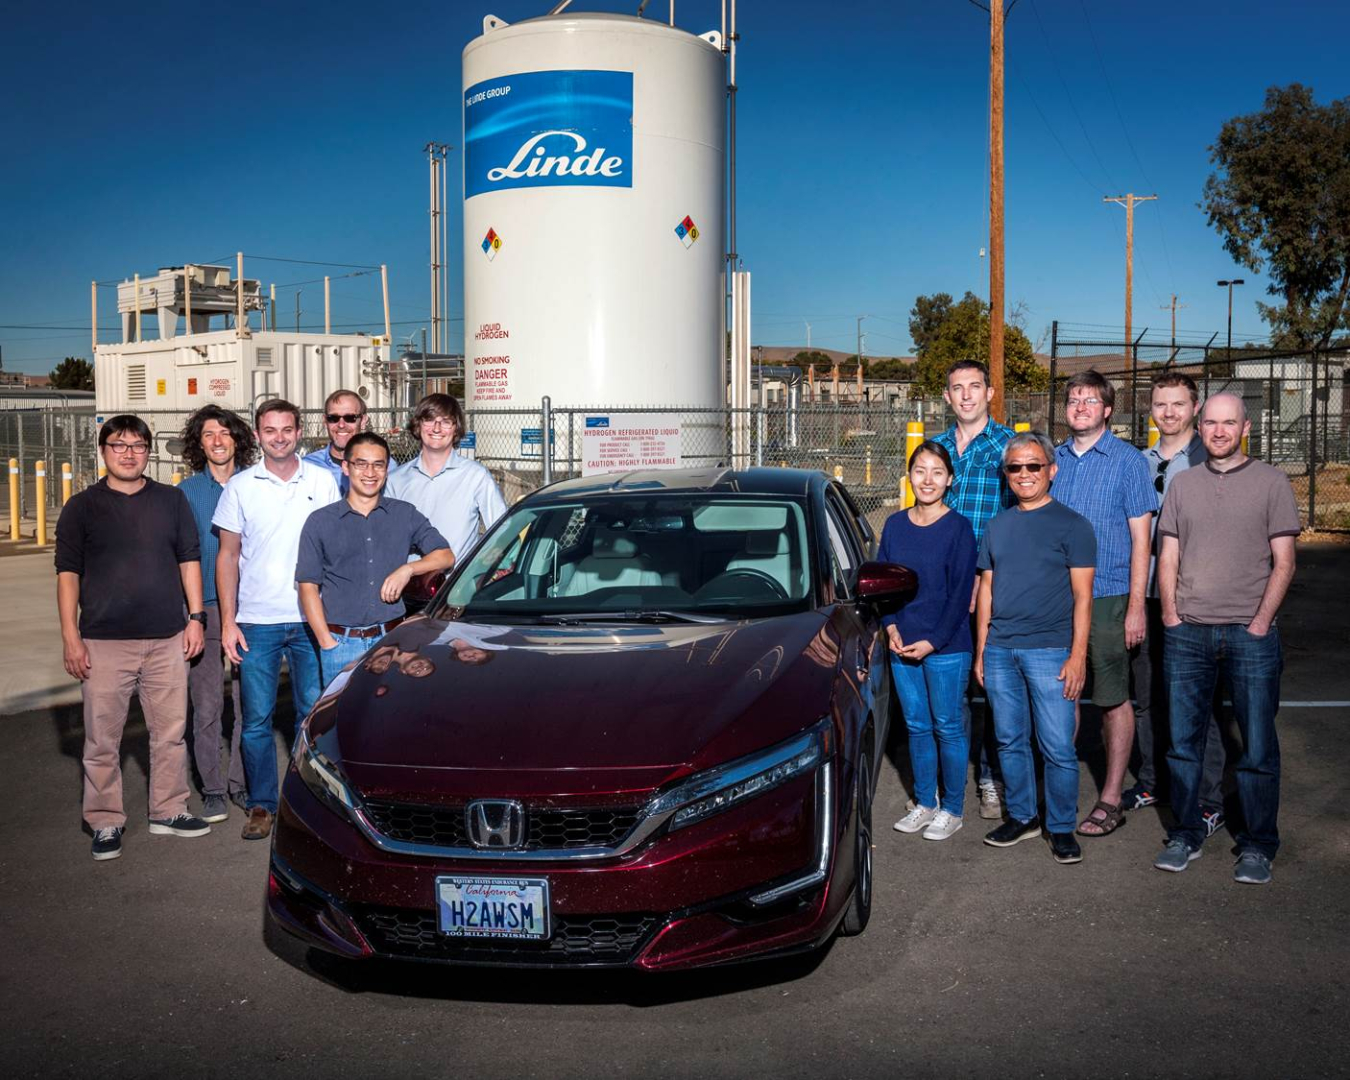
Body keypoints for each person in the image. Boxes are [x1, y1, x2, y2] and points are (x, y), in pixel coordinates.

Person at [1153, 393, 1298, 885]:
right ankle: (1187, 832)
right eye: (1210, 422)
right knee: (1183, 744)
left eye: (1228, 422)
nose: (1218, 431)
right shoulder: (1183, 485)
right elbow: (1168, 557)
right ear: (1200, 424)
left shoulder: (1272, 483)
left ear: (1245, 427)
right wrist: (1170, 616)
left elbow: (1285, 562)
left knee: (1257, 747)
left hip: (1250, 636)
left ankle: (1258, 845)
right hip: (1187, 634)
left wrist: (1259, 623)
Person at [55, 415, 210, 860]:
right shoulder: (81, 507)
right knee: (102, 738)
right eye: (119, 445)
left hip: (166, 638)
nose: (129, 453)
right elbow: (68, 575)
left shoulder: (171, 501)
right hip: (103, 641)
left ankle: (169, 809)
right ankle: (104, 820)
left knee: (169, 733)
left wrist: (195, 617)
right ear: (103, 450)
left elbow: (189, 558)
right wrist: (71, 636)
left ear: (148, 451)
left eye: (138, 445)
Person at [214, 399, 340, 842]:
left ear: (299, 431)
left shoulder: (324, 482)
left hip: (310, 620)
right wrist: (229, 623)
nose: (280, 437)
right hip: (257, 623)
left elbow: (334, 550)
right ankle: (263, 805)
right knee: (255, 721)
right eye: (270, 430)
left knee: (311, 716)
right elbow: (227, 557)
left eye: (287, 429)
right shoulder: (242, 487)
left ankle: (308, 803)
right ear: (257, 434)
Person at [975, 431, 1096, 865]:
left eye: (1034, 466)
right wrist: (982, 651)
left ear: (1051, 470)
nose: (1025, 474)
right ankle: (1023, 817)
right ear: (1006, 474)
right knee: (1009, 740)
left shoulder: (1073, 525)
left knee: (1058, 746)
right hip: (1001, 651)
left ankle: (1060, 826)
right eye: (1015, 467)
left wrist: (1078, 655)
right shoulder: (997, 525)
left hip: (1051, 652)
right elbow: (986, 589)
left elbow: (1084, 597)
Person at [1051, 370, 1155, 838]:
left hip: (1110, 596)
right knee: (1064, 693)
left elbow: (1141, 539)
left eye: (1090, 400)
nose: (1080, 406)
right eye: (1073, 399)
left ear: (1108, 409)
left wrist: (1136, 607)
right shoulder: (1052, 461)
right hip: (1057, 600)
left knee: (1112, 698)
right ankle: (1058, 793)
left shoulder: (1128, 462)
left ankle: (1111, 797)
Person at [1124, 373, 1227, 836]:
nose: (1169, 412)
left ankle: (1207, 797)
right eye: (1161, 404)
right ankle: (1152, 780)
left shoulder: (1211, 460)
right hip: (1142, 595)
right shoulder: (1137, 463)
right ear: (1150, 408)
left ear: (1194, 407)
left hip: (1193, 599)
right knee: (1146, 697)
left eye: (1178, 404)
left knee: (1195, 702)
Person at [297, 432, 455, 687]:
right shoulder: (320, 522)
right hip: (341, 645)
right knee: (340, 721)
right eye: (361, 463)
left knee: (391, 717)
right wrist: (327, 643)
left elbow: (445, 556)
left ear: (386, 469)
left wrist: (408, 569)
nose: (370, 472)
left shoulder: (404, 514)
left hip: (392, 640)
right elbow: (307, 586)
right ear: (346, 467)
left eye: (378, 464)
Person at [932, 359, 1015, 820]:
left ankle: (991, 777)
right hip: (943, 594)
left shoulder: (1007, 447)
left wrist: (987, 583)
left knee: (992, 689)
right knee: (950, 694)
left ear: (989, 392)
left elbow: (1016, 522)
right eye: (957, 387)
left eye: (975, 387)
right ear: (947, 397)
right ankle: (949, 786)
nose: (966, 395)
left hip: (991, 589)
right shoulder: (936, 450)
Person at [883, 441, 978, 841]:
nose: (928, 479)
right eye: (920, 470)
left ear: (950, 480)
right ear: (909, 476)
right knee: (917, 726)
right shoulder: (894, 525)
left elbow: (960, 597)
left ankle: (952, 809)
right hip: (901, 643)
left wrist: (933, 642)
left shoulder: (958, 528)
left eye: (937, 472)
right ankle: (925, 802)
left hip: (946, 646)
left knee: (947, 726)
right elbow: (883, 584)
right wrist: (890, 627)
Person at [178, 405, 256, 822]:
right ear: (200, 443)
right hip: (204, 609)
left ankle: (240, 783)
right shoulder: (187, 493)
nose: (218, 441)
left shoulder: (255, 484)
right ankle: (211, 787)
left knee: (249, 706)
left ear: (237, 439)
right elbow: (178, 556)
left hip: (251, 609)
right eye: (209, 434)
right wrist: (190, 614)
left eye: (225, 433)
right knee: (207, 705)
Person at [385, 393, 507, 562]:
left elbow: (502, 531)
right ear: (418, 425)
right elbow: (384, 536)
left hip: (457, 584)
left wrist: (485, 573)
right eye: (429, 420)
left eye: (446, 422)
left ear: (456, 428)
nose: (436, 428)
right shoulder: (395, 480)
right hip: (407, 583)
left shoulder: (476, 476)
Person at [304, 388, 389, 496]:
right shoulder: (307, 466)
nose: (341, 425)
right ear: (325, 421)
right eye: (333, 418)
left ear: (363, 421)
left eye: (350, 418)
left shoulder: (387, 466)